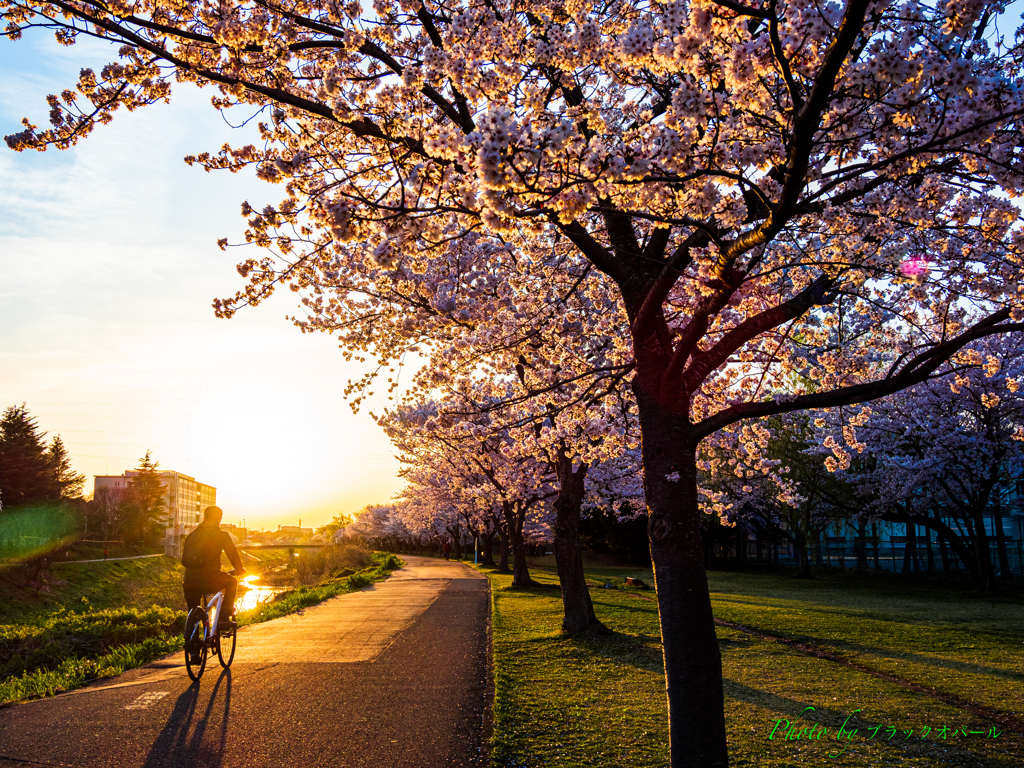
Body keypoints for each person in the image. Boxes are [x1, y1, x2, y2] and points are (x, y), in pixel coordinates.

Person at [182, 506, 245, 632]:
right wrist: (239, 569)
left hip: (189, 581)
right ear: (219, 519)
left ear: (204, 518)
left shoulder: (192, 535)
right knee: (232, 582)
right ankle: (223, 618)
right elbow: (232, 554)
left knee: (193, 613)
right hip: (211, 578)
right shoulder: (221, 535)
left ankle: (193, 647)